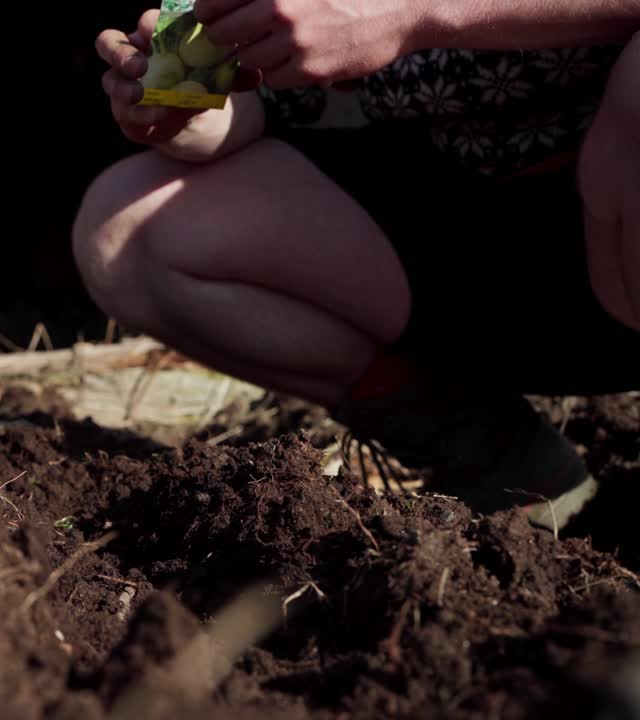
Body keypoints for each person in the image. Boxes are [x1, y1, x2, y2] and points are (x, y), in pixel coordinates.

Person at [74, 1, 640, 530]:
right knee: (126, 234)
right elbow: (254, 100)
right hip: (471, 229)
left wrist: (414, 13)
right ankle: (503, 460)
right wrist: (186, 105)